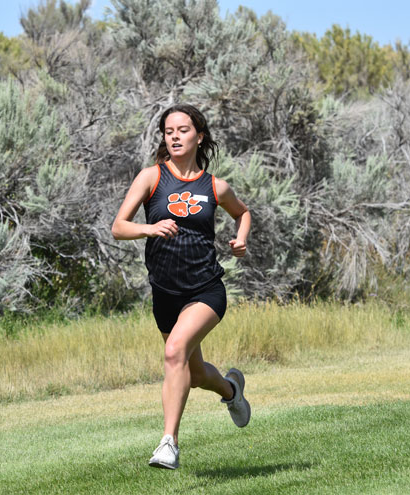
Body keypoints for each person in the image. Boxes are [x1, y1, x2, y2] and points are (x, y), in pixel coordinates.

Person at [111, 103, 252, 470]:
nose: (175, 136)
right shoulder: (151, 178)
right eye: (169, 131)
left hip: (205, 289)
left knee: (174, 352)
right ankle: (231, 390)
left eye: (183, 130)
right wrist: (149, 228)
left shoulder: (215, 186)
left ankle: (168, 444)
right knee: (194, 372)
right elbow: (119, 227)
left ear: (199, 137)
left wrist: (240, 239)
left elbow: (243, 212)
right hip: (165, 293)